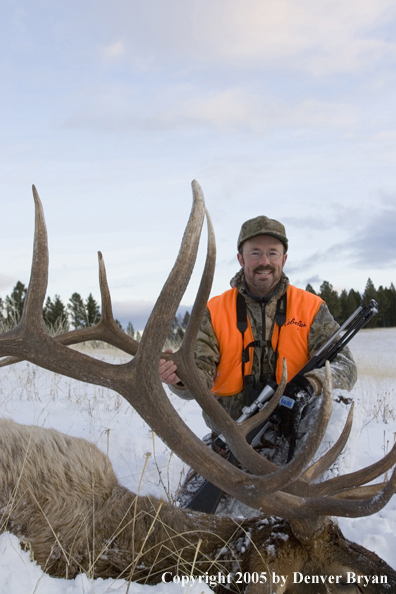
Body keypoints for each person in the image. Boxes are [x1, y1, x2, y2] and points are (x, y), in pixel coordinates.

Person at [160, 215, 357, 463]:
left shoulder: (311, 309)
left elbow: (346, 367)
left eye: (273, 253)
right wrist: (181, 378)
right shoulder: (214, 310)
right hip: (231, 440)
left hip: (295, 437)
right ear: (241, 259)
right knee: (194, 500)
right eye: (255, 253)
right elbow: (200, 371)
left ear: (284, 259)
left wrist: (309, 386)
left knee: (340, 405)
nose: (264, 262)